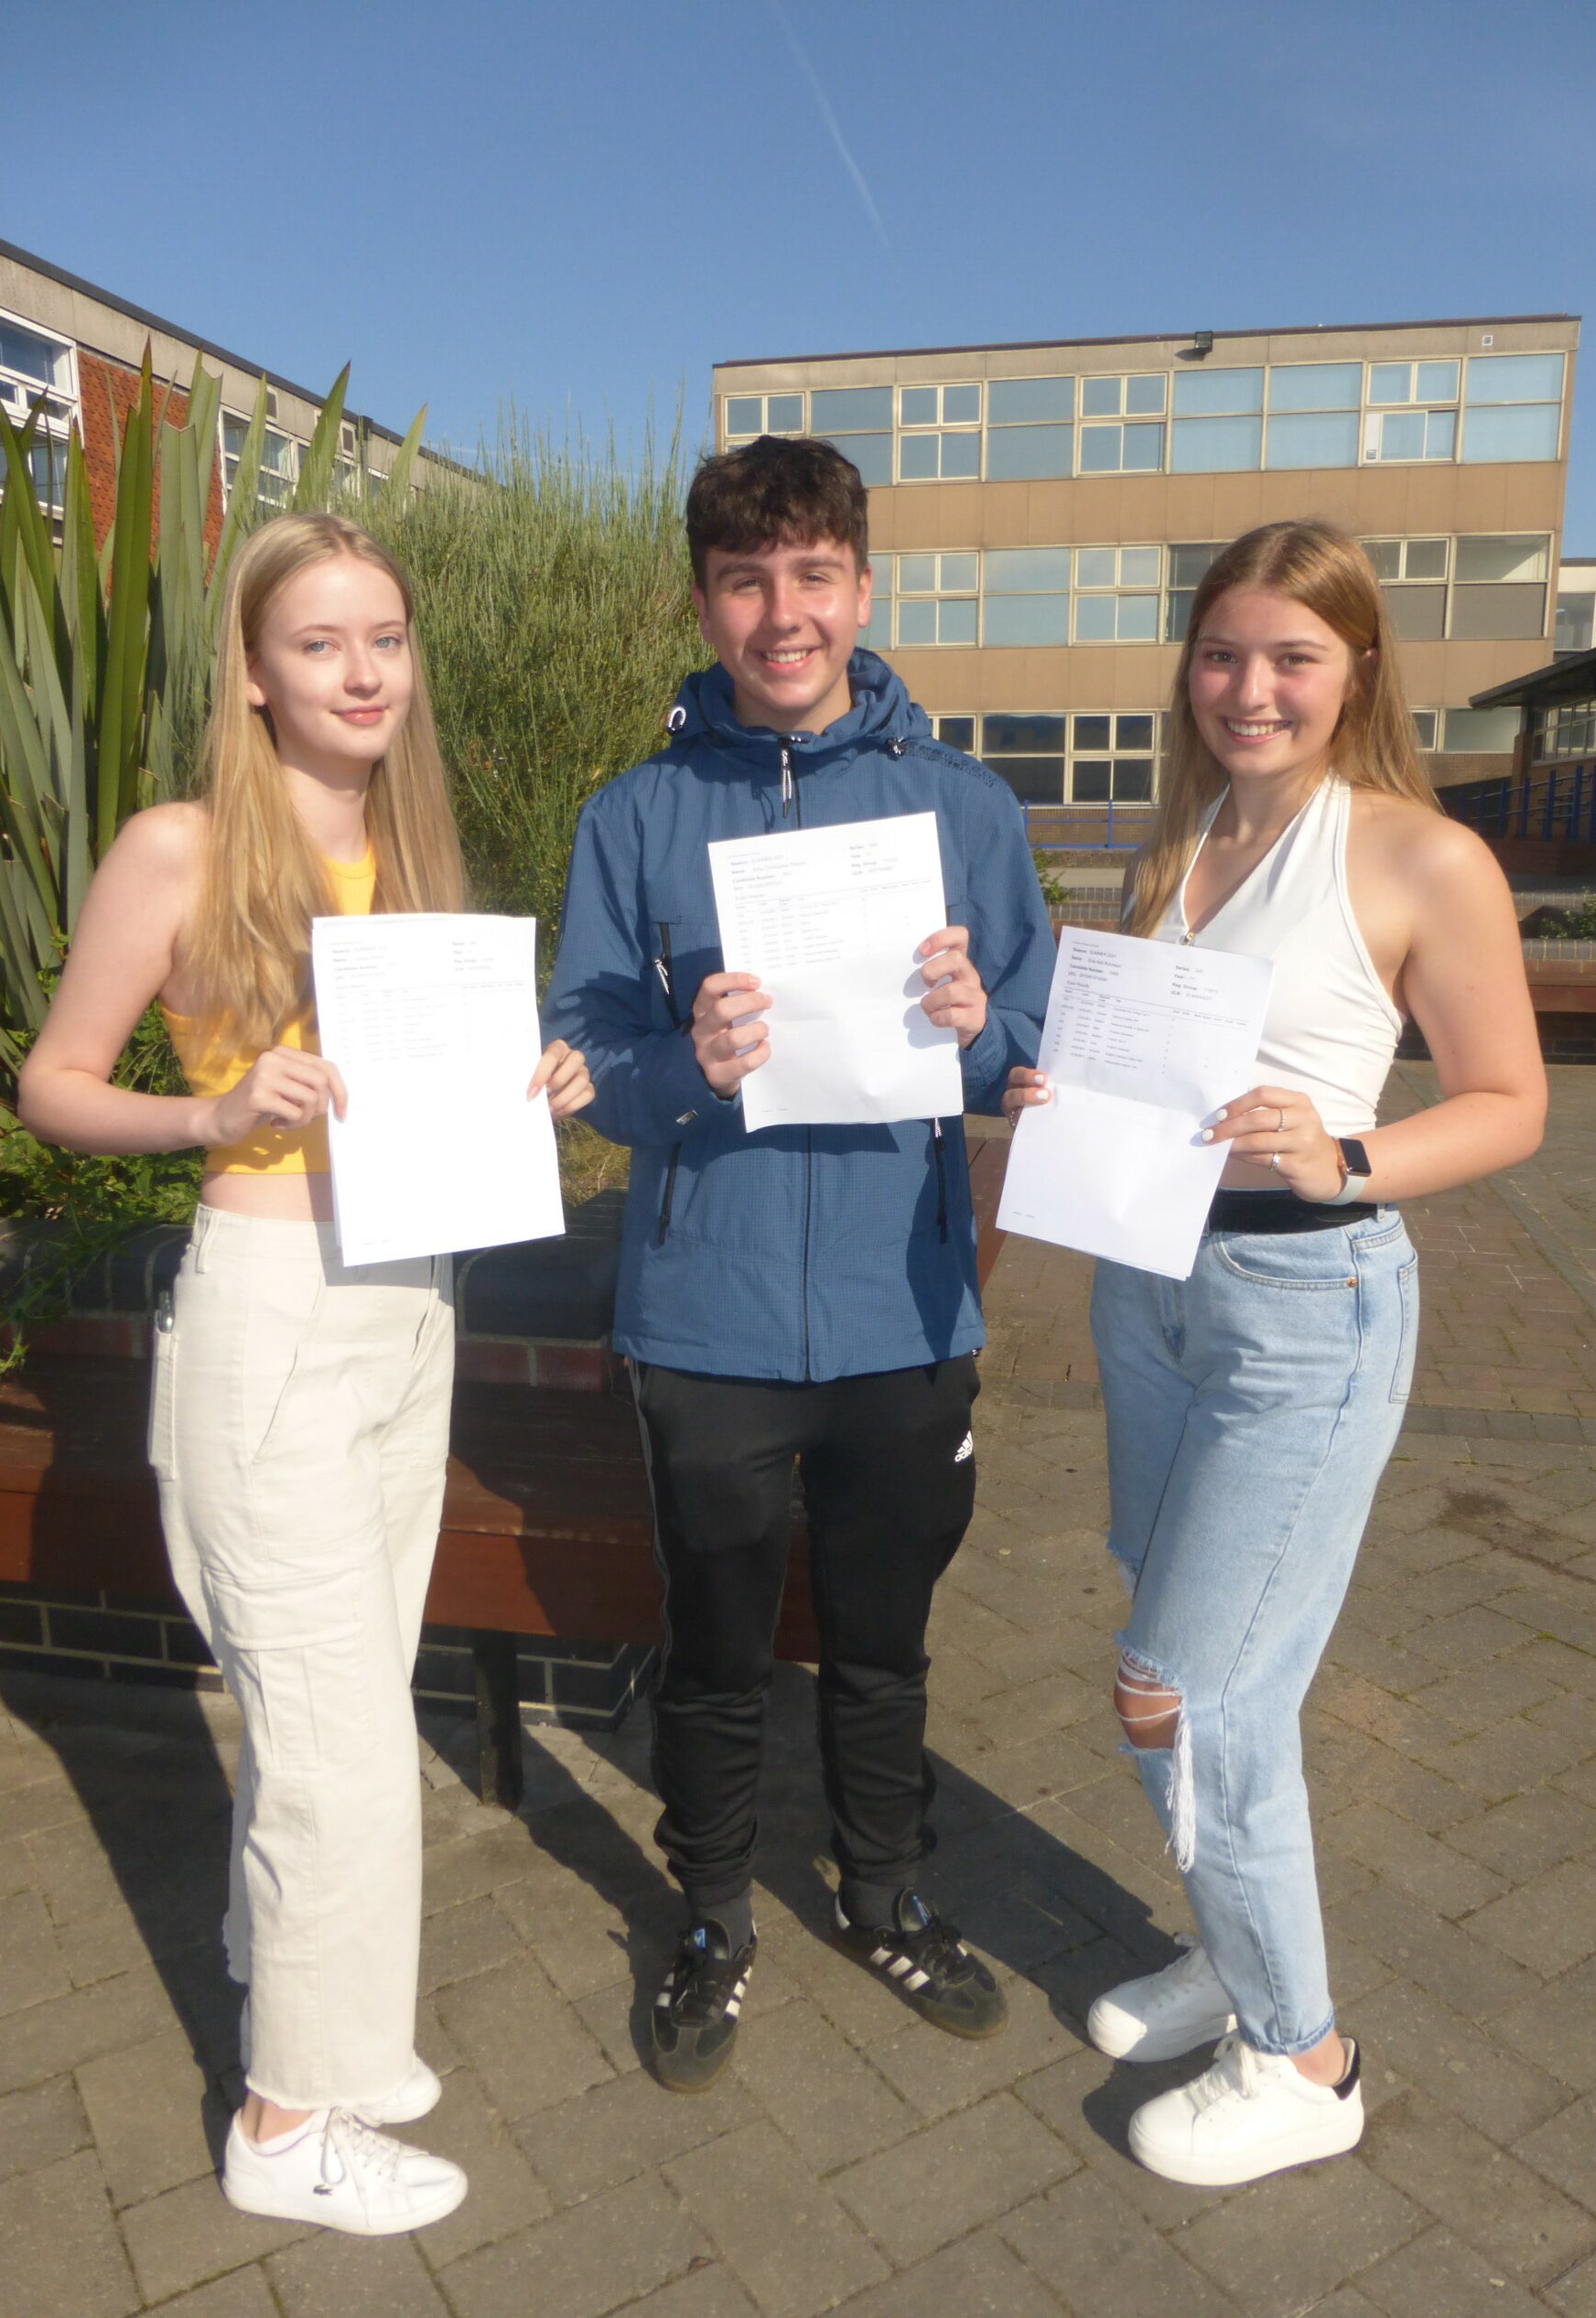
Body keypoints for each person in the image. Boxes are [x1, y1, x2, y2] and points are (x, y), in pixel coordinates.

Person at [17, 511, 593, 2234]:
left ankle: (304, 2006)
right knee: (339, 1743)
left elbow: (437, 1097)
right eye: (324, 643)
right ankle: (290, 2118)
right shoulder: (183, 845)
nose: (364, 672)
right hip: (270, 1299)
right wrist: (208, 1108)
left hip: (411, 1307)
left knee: (331, 1712)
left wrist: (537, 1080)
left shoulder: (415, 860)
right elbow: (59, 1080)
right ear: (256, 675)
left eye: (388, 640)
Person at [1004, 518, 1546, 2186]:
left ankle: (1306, 2056)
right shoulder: (1170, 852)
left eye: (1292, 657)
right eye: (1224, 652)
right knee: (1173, 1677)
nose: (1252, 687)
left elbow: (1513, 1103)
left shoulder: (1416, 856)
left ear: (1355, 672)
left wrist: (1350, 1155)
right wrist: (1055, 1091)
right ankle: (1234, 1948)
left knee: (1196, 1688)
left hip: (1309, 1307)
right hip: (1157, 1291)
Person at [542, 434, 1054, 2091]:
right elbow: (586, 1051)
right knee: (714, 1640)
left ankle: (887, 1887)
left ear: (861, 584)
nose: (783, 612)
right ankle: (707, 1916)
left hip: (906, 1312)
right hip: (710, 1314)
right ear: (704, 598)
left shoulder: (966, 806)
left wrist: (988, 1038)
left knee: (887, 1636)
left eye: (813, 574)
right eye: (747, 580)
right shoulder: (634, 814)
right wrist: (683, 1057)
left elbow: (1035, 1045)